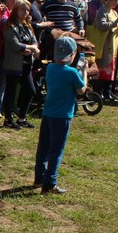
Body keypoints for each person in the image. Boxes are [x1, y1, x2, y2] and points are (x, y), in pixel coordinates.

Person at [34, 35, 86, 194]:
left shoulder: (50, 68)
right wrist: (83, 71)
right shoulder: (72, 72)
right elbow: (81, 91)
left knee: (43, 147)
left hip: (48, 113)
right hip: (62, 116)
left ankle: (39, 177)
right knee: (56, 150)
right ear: (73, 54)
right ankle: (50, 183)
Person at [1, 0, 39, 129]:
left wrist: (33, 47)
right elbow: (15, 44)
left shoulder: (27, 25)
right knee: (10, 92)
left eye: (28, 10)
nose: (26, 12)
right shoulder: (9, 25)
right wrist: (31, 48)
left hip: (26, 64)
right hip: (14, 64)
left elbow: (34, 40)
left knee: (30, 90)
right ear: (16, 10)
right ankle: (8, 119)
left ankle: (22, 118)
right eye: (23, 9)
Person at [86, 0, 118, 100]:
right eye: (114, 0)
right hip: (103, 45)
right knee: (101, 69)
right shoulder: (102, 11)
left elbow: (116, 29)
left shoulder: (114, 12)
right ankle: (98, 92)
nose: (116, 3)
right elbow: (101, 26)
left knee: (110, 70)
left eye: (117, 0)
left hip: (112, 46)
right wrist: (116, 22)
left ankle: (107, 92)